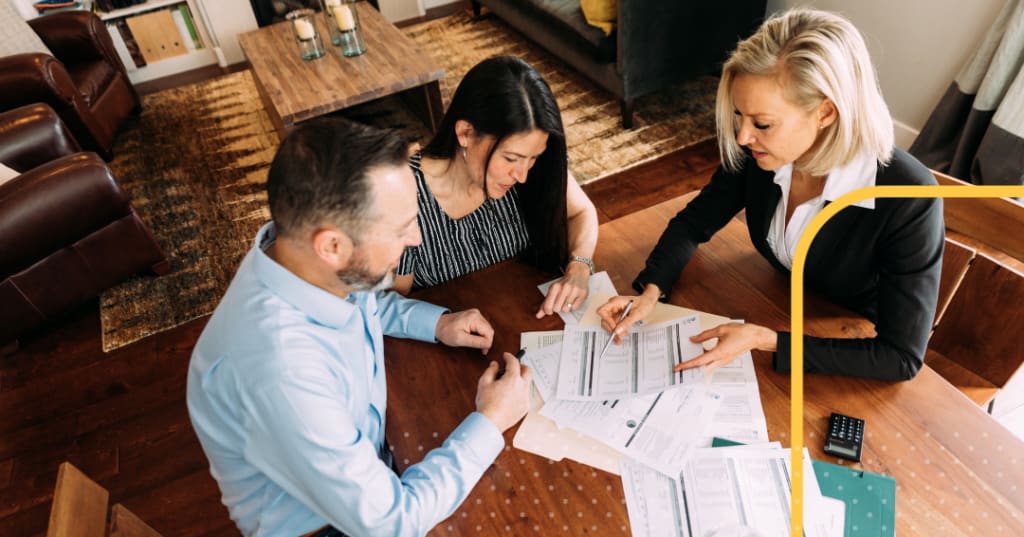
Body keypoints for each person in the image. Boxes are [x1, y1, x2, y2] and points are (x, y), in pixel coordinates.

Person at [186, 118, 532, 537]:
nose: (418, 239)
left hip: (364, 459)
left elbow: (364, 303)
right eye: (402, 228)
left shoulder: (300, 260)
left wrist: (437, 322)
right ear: (331, 245)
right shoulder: (279, 370)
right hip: (327, 526)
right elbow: (393, 523)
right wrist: (491, 421)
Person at [597, 9, 943, 382]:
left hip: (842, 344)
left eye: (762, 123)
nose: (743, 137)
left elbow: (901, 358)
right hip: (775, 300)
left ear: (825, 112)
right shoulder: (760, 152)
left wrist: (767, 339)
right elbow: (694, 222)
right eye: (739, 116)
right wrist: (652, 290)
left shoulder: (910, 197)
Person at [393, 55, 599, 319]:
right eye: (510, 158)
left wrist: (580, 268)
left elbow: (582, 212)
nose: (522, 175)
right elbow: (393, 304)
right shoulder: (403, 195)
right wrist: (442, 322)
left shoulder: (533, 171)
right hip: (453, 346)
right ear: (465, 133)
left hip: (524, 317)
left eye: (533, 158)